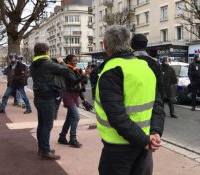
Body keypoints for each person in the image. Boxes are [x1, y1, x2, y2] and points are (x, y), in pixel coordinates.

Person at [95, 25, 164, 175]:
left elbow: (117, 117)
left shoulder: (111, 70)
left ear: (105, 44)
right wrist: (156, 132)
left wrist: (146, 140)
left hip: (118, 148)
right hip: (144, 146)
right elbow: (158, 103)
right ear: (129, 42)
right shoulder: (145, 67)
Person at [30, 43, 69, 160]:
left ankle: (42, 148)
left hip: (38, 97)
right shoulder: (48, 64)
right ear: (46, 51)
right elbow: (65, 70)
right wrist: (61, 61)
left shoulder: (33, 64)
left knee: (41, 124)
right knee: (47, 125)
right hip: (48, 98)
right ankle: (45, 152)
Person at [57, 54, 91, 148]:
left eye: (76, 60)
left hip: (75, 95)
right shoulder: (67, 70)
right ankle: (73, 139)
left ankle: (62, 137)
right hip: (68, 95)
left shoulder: (75, 70)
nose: (75, 61)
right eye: (73, 60)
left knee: (70, 118)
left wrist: (83, 98)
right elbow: (74, 81)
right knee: (76, 117)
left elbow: (80, 85)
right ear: (68, 61)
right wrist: (84, 75)